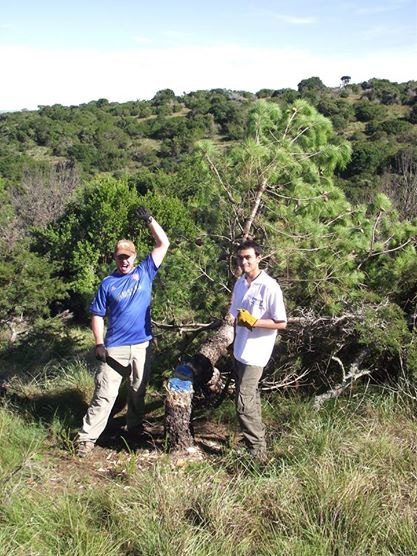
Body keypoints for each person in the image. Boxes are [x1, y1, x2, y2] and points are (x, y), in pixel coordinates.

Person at [76, 206, 169, 457]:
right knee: (105, 394)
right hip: (115, 347)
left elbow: (163, 242)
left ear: (135, 256)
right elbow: (97, 314)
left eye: (128, 256)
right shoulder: (107, 284)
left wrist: (150, 220)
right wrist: (98, 343)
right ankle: (86, 439)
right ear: (114, 258)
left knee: (138, 391)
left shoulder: (145, 272)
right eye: (120, 257)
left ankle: (135, 428)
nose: (124, 260)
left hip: (142, 345)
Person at [229, 240, 287, 460]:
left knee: (243, 404)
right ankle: (254, 441)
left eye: (248, 257)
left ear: (258, 258)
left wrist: (254, 322)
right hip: (240, 351)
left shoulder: (269, 286)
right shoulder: (240, 283)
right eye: (240, 258)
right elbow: (234, 315)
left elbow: (281, 322)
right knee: (250, 398)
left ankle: (257, 453)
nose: (244, 261)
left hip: (256, 354)